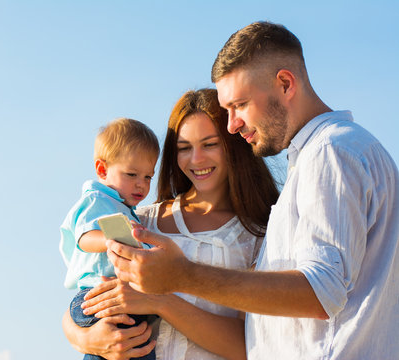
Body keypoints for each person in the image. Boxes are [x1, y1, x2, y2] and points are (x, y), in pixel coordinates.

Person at [106, 21, 399, 359]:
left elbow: (321, 293)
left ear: (285, 83)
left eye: (240, 105)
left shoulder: (331, 152)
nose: (232, 125)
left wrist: (182, 276)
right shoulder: (335, 153)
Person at [62, 89, 279, 359]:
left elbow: (251, 347)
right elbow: (91, 295)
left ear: (232, 145)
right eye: (184, 148)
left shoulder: (261, 233)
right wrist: (87, 339)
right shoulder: (142, 220)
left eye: (210, 144)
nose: (196, 159)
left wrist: (160, 301)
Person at [59, 118, 160, 360]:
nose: (141, 184)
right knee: (119, 344)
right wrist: (112, 240)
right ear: (103, 170)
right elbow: (84, 237)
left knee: (136, 345)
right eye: (132, 174)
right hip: (95, 296)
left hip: (116, 297)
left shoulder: (124, 208)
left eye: (148, 176)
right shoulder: (97, 200)